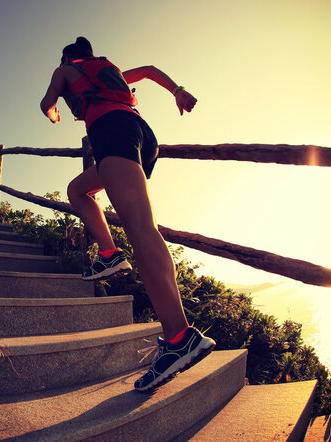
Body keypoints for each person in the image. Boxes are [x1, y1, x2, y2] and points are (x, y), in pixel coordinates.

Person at [40, 37, 216, 391]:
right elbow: (150, 71)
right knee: (79, 190)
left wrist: (54, 111)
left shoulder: (65, 69)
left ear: (68, 58)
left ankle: (180, 337)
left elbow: (46, 102)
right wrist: (177, 90)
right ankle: (109, 254)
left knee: (141, 229)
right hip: (140, 134)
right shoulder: (110, 69)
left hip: (112, 131)